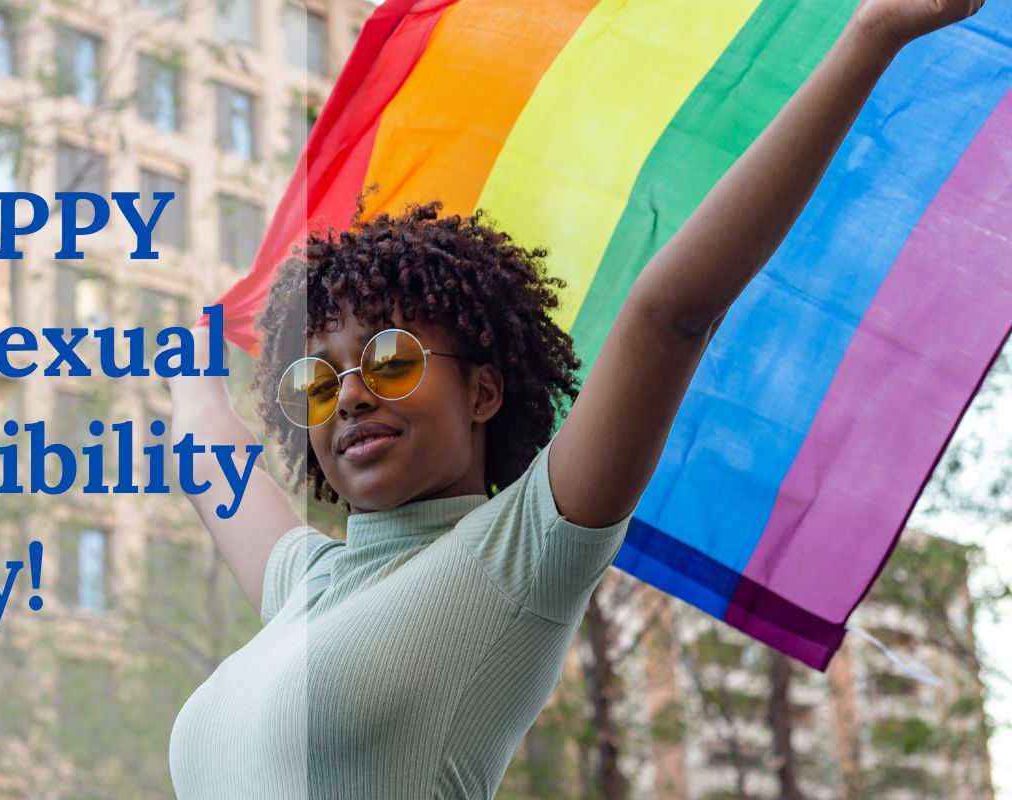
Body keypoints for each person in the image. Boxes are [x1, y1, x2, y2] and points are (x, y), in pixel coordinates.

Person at [167, 1, 983, 796]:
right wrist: (191, 351)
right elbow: (208, 449)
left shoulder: (523, 552)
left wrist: (870, 37)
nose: (346, 398)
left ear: (483, 389)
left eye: (388, 360)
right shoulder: (304, 583)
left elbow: (670, 316)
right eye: (317, 380)